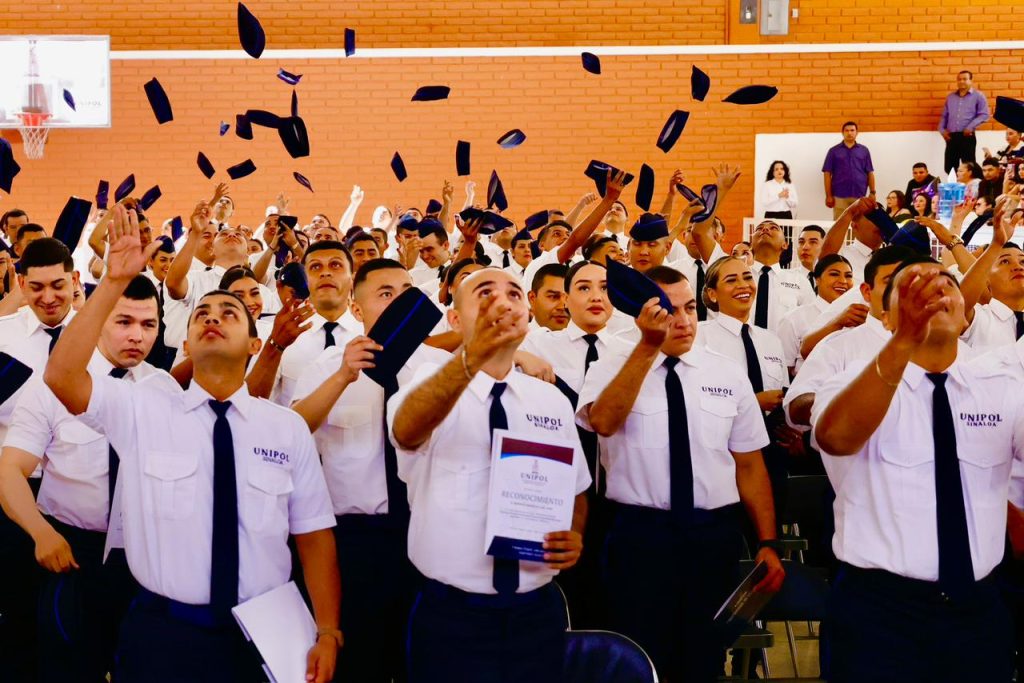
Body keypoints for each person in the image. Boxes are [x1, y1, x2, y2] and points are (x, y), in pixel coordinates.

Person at [43, 205, 341, 682]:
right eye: (202, 313)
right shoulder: (145, 408)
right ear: (186, 344)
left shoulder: (285, 428)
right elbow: (62, 376)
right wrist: (114, 282)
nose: (213, 318)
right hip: (164, 633)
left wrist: (326, 629)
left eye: (230, 313)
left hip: (263, 632)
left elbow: (313, 534)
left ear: (254, 345)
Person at [577, 266, 784, 682]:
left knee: (704, 659)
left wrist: (767, 542)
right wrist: (647, 348)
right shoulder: (611, 364)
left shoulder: (725, 372)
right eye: (668, 311)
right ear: (642, 314)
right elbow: (603, 422)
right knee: (640, 657)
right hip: (639, 534)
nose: (684, 320)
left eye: (690, 307)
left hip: (712, 534)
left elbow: (749, 464)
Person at [812, 261, 1016, 682]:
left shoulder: (1004, 388)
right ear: (885, 317)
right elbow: (836, 437)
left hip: (977, 608)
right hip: (879, 611)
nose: (934, 294)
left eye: (946, 285)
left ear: (965, 314)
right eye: (913, 291)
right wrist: (905, 341)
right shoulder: (849, 381)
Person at [389, 268, 590, 683]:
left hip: (537, 610)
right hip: (453, 615)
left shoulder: (550, 399)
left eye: (514, 294)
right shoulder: (426, 384)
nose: (502, 302)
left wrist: (573, 534)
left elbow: (576, 489)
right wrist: (471, 358)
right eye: (485, 293)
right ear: (455, 319)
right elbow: (406, 431)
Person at [0, 274, 176, 683]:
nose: (137, 336)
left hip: (146, 558)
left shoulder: (163, 389)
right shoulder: (50, 385)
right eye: (124, 322)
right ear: (98, 319)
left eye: (148, 324)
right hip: (72, 554)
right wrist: (41, 533)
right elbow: (10, 470)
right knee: (69, 668)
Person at [291, 259, 449, 683]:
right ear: (356, 310)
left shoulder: (442, 366)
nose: (399, 303)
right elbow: (292, 432)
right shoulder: (327, 365)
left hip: (430, 533)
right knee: (362, 662)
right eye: (385, 294)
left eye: (406, 292)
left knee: (426, 660)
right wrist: (344, 377)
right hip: (357, 541)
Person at [0, 237, 79, 681]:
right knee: (17, 612)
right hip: (15, 493)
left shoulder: (98, 335)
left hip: (77, 496)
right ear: (21, 284)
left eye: (57, 285)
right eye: (36, 287)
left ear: (74, 279)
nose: (48, 297)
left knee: (72, 619)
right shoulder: (3, 336)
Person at [698, 256, 792, 513]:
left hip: (769, 452)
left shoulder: (770, 340)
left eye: (748, 277)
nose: (743, 285)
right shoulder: (699, 337)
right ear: (712, 294)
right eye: (731, 280)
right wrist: (753, 403)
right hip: (720, 453)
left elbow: (782, 396)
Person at [777, 254, 855, 375]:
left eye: (848, 276)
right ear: (817, 280)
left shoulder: (858, 318)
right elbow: (784, 372)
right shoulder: (793, 319)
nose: (843, 281)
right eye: (834, 274)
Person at [748, 220, 815, 334]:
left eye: (773, 228)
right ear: (750, 245)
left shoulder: (799, 281)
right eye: (759, 228)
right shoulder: (737, 276)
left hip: (784, 345)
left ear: (785, 245)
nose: (765, 229)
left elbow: (811, 322)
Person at [939, 70, 990, 173]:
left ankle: (969, 184)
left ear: (971, 80)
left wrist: (970, 127)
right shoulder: (950, 97)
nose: (961, 81)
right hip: (951, 137)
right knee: (949, 168)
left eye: (964, 79)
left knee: (969, 167)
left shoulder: (978, 96)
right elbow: (944, 116)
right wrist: (942, 130)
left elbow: (984, 114)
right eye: (959, 79)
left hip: (967, 136)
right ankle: (954, 184)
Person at [822, 121, 875, 219]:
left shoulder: (864, 151)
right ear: (842, 133)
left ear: (857, 132)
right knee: (839, 224)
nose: (849, 133)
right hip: (839, 195)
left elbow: (869, 172)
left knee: (859, 224)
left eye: (852, 130)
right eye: (846, 130)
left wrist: (872, 192)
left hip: (859, 195)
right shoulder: (833, 151)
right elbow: (827, 173)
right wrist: (828, 195)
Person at [528, 263, 570, 332]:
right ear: (532, 298)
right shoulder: (514, 338)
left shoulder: (587, 336)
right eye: (554, 296)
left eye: (569, 298)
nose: (563, 307)